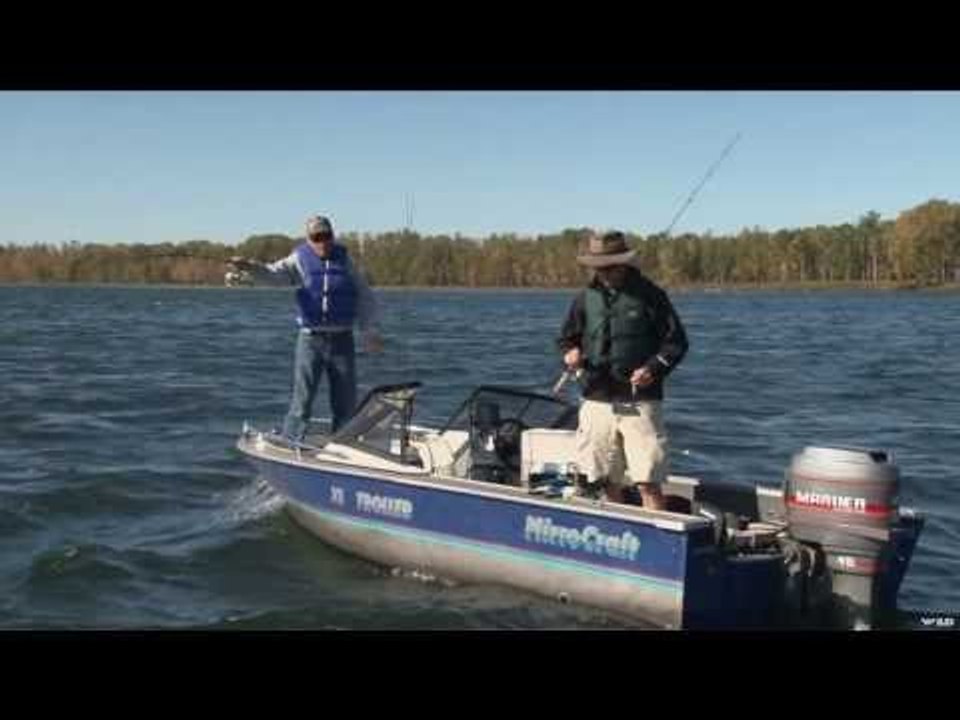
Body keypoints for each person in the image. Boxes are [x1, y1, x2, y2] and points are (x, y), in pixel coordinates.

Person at [557, 230, 688, 510]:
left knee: (647, 479)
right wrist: (570, 353)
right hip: (596, 398)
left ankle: (655, 532)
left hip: (640, 401)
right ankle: (617, 532)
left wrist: (652, 369)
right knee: (602, 477)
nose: (603, 273)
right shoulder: (584, 298)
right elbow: (566, 339)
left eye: (609, 267)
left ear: (624, 264)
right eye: (598, 268)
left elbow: (676, 344)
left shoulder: (651, 296)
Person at [227, 215, 383, 440]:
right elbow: (273, 275)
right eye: (316, 237)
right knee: (302, 402)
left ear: (332, 235)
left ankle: (342, 444)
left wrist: (370, 330)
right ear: (308, 239)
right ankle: (291, 442)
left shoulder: (346, 261)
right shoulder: (299, 259)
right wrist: (249, 267)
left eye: (326, 236)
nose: (323, 242)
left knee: (346, 402)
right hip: (310, 341)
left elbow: (365, 296)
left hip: (342, 341)